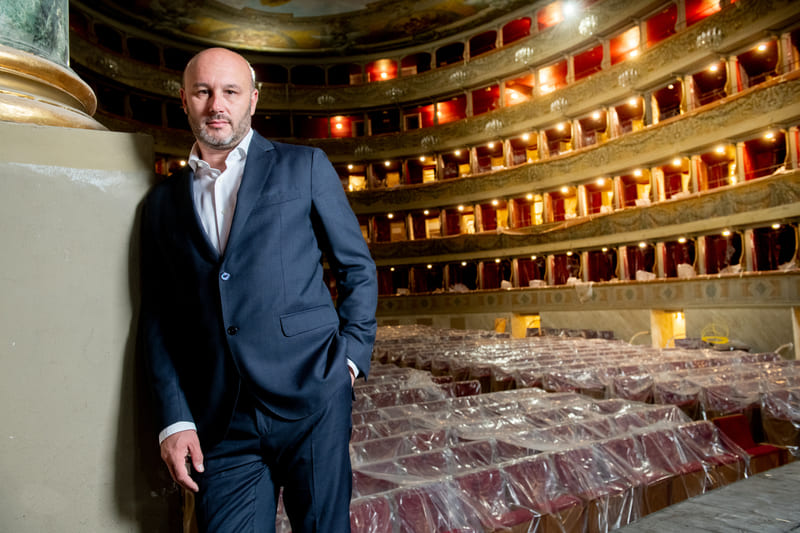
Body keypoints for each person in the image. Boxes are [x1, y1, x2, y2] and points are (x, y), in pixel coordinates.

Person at [139, 47, 377, 533]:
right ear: (184, 100)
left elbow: (357, 267)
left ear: (253, 100)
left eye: (230, 92)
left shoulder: (304, 165)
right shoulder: (161, 203)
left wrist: (350, 359)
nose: (216, 105)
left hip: (313, 392)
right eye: (204, 92)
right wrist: (175, 419)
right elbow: (158, 317)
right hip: (220, 420)